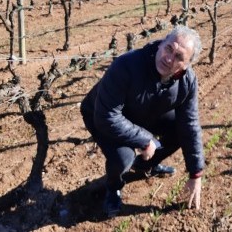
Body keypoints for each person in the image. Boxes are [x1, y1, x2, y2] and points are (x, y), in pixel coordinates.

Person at [80, 25, 205, 217]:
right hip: (101, 114)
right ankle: (113, 187)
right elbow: (107, 116)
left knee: (180, 129)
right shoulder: (127, 65)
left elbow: (190, 124)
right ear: (161, 44)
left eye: (179, 57)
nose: (169, 58)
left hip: (143, 111)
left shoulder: (187, 81)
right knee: (123, 157)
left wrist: (196, 173)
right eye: (168, 48)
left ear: (187, 65)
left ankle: (146, 165)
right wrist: (145, 139)